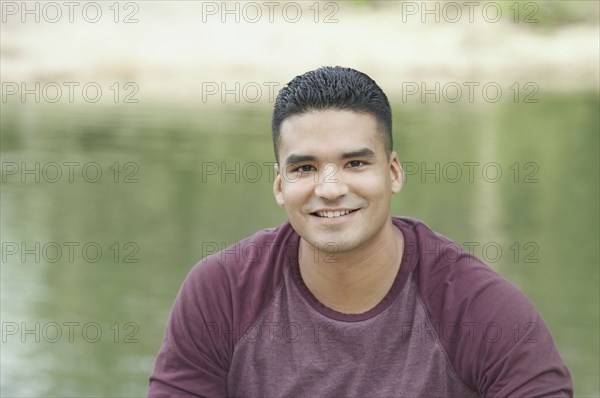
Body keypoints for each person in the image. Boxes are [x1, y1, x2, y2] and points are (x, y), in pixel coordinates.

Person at [148, 66, 573, 397]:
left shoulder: (481, 310)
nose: (330, 189)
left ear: (393, 172)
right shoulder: (220, 292)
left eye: (355, 163)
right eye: (305, 168)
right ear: (280, 186)